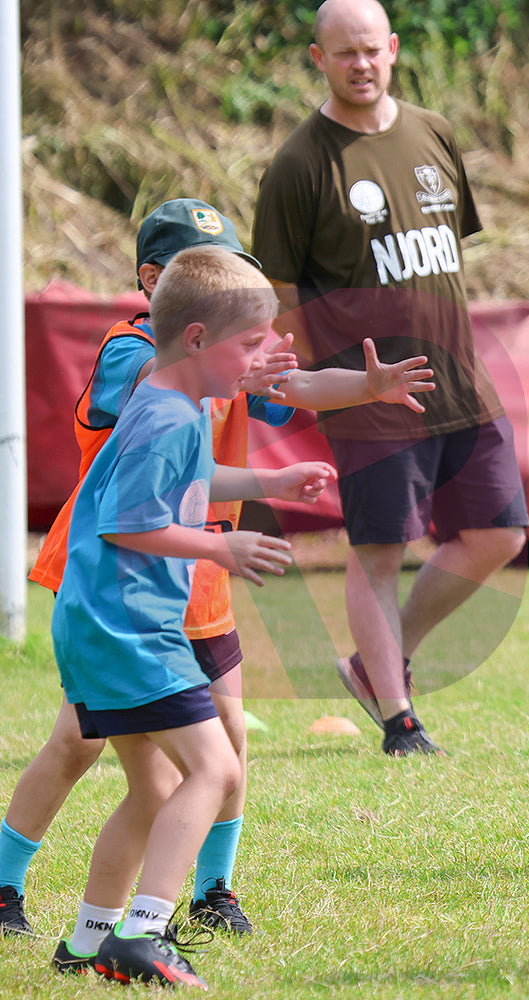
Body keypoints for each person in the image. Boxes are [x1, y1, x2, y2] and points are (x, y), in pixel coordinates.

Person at [4, 198, 432, 945]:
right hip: (120, 573)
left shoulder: (227, 355)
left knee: (224, 741)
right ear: (155, 284)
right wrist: (246, 372)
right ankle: (13, 887)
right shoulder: (134, 353)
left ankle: (210, 890)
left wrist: (364, 387)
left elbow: (291, 389)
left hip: (196, 574)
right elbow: (154, 401)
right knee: (82, 742)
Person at [49, 246, 335, 986]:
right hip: (131, 627)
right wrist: (224, 549)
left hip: (97, 623)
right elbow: (128, 523)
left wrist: (271, 478)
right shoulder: (173, 416)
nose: (258, 361)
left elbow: (190, 478)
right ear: (200, 339)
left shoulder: (164, 401)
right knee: (213, 768)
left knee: (153, 790)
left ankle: (86, 942)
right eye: (249, 345)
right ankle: (143, 933)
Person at [252, 0, 528, 757]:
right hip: (370, 392)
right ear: (318, 58)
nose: (361, 65)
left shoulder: (434, 132)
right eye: (344, 54)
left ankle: (371, 664)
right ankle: (400, 720)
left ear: (395, 49)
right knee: (376, 552)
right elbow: (279, 298)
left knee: (499, 534)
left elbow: (441, 254)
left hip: (460, 382)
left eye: (372, 50)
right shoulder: (299, 165)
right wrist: (313, 386)